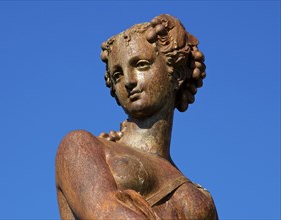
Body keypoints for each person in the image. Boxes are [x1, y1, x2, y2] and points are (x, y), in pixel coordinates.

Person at [55, 14, 218, 219]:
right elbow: (107, 214)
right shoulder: (80, 147)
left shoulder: (200, 196)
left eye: (141, 64)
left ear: (177, 73)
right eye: (117, 75)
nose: (128, 81)